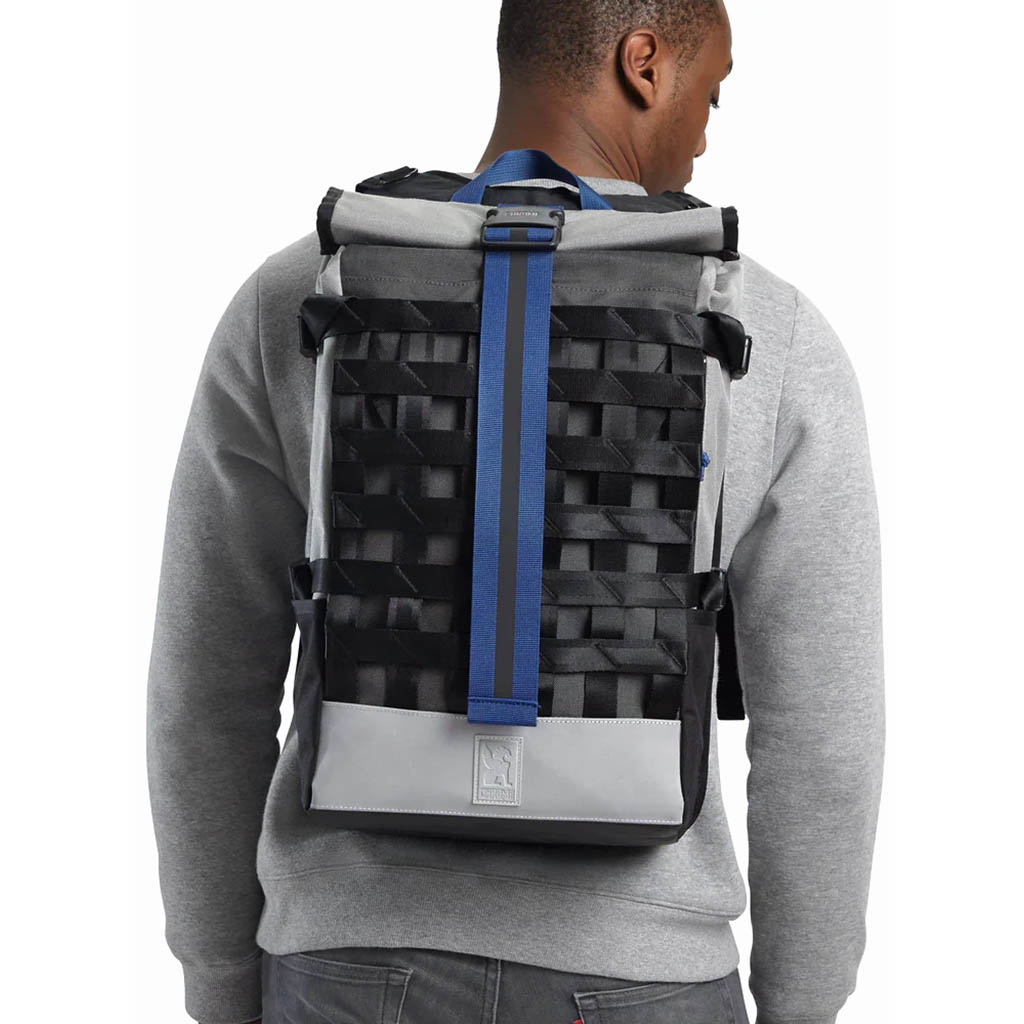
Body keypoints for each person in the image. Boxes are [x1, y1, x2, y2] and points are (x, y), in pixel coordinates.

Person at [146, 1, 885, 1022]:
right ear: (643, 63)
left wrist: (221, 977)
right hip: (642, 977)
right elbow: (823, 733)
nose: (707, 134)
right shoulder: (762, 325)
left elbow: (207, 683)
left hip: (344, 965)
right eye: (710, 94)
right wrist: (803, 1003)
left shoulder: (301, 295)